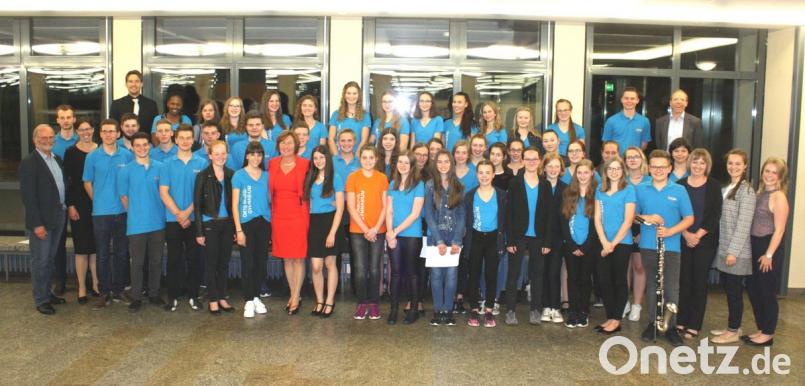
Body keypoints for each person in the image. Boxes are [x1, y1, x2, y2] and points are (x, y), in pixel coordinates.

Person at [636, 150, 694, 346]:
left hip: (671, 246)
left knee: (670, 287)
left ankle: (670, 327)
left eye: (662, 167)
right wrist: (647, 218)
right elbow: (633, 217)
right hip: (648, 245)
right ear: (649, 168)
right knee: (653, 286)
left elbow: (689, 218)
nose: (658, 170)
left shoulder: (679, 190)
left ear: (669, 168)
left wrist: (670, 231)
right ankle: (653, 323)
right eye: (654, 166)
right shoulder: (641, 189)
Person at [83, 119, 134, 310]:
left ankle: (119, 290)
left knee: (122, 253)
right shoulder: (92, 156)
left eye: (112, 131)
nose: (109, 134)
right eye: (105, 131)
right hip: (101, 214)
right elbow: (87, 182)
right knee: (102, 254)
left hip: (122, 213)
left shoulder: (127, 155)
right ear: (100, 134)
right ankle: (104, 292)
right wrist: (97, 199)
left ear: (118, 133)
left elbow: (132, 181)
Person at [19, 124, 68, 315]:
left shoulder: (56, 159)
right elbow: (28, 197)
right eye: (43, 138)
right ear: (35, 140)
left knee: (50, 258)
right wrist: (37, 224)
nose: (48, 141)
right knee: (40, 260)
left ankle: (48, 293)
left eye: (50, 137)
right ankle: (41, 299)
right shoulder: (29, 162)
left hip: (59, 214)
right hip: (42, 221)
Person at [160, 124, 208, 312]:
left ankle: (193, 296)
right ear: (176, 139)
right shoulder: (167, 164)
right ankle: (172, 296)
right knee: (174, 259)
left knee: (194, 259)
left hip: (195, 220)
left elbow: (202, 194)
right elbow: (164, 192)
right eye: (182, 138)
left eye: (189, 138)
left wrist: (187, 213)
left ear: (193, 140)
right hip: (173, 220)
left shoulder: (202, 163)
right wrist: (179, 214)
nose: (185, 141)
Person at [117, 132, 166, 312]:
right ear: (132, 147)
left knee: (156, 260)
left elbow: (165, 193)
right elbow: (124, 197)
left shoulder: (160, 167)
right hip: (136, 224)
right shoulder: (125, 170)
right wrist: (136, 212)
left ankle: (154, 294)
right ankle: (136, 296)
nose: (142, 148)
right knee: (137, 262)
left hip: (158, 223)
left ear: (150, 146)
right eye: (138, 145)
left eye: (145, 144)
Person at [676, 149, 722, 340]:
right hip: (682, 239)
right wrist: (686, 234)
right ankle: (681, 320)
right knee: (684, 281)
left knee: (699, 282)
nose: (698, 166)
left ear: (707, 165)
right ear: (689, 163)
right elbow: (674, 212)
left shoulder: (714, 186)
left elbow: (715, 215)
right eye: (695, 162)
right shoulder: (679, 185)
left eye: (702, 162)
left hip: (705, 241)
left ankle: (694, 324)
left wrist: (697, 236)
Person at [710, 149, 755, 344]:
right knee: (729, 290)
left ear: (745, 166)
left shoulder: (747, 191)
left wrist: (732, 253)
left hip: (736, 252)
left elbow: (744, 225)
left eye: (738, 163)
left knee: (735, 292)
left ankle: (733, 330)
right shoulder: (727, 188)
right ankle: (732, 326)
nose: (733, 167)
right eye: (730, 163)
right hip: (725, 248)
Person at [503, 147, 552, 325]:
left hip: (539, 236)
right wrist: (509, 240)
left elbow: (549, 215)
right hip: (518, 236)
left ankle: (535, 310)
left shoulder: (545, 185)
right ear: (523, 161)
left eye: (534, 159)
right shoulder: (515, 183)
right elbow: (509, 213)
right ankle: (510, 310)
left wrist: (547, 241)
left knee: (537, 275)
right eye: (528, 159)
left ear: (539, 161)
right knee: (513, 274)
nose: (531, 162)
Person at [746, 157, 789, 347]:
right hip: (755, 245)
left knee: (766, 291)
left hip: (768, 247)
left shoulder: (779, 197)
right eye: (767, 171)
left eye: (774, 172)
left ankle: (768, 333)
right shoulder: (760, 192)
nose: (769, 175)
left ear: (780, 176)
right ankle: (762, 328)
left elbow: (780, 229)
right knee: (754, 288)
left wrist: (769, 254)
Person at [269, 131, 311, 315]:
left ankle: (295, 296)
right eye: (282, 143)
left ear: (296, 145)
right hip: (279, 215)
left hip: (298, 214)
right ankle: (294, 294)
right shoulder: (272, 163)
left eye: (289, 143)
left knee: (298, 257)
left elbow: (314, 185)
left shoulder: (305, 164)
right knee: (286, 257)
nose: (286, 146)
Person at [593, 156, 636, 335]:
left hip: (622, 242)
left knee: (619, 280)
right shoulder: (600, 189)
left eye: (617, 168)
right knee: (604, 280)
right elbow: (597, 218)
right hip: (603, 242)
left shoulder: (628, 190)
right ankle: (610, 316)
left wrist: (612, 244)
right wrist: (604, 242)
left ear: (622, 171)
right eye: (611, 168)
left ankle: (617, 319)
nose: (614, 171)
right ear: (606, 171)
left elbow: (628, 221)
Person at [346, 145, 389, 320]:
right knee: (360, 269)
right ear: (360, 159)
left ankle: (374, 303)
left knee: (374, 268)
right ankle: (362, 303)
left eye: (371, 157)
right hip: (358, 231)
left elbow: (385, 206)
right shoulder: (353, 177)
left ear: (376, 159)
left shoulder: (382, 178)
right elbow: (351, 206)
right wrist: (365, 229)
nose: (368, 161)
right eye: (364, 157)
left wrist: (375, 228)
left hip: (378, 230)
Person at [424, 150, 466, 326]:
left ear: (451, 164)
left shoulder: (459, 186)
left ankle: (448, 310)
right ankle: (437, 310)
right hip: (436, 238)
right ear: (435, 164)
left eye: (446, 161)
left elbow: (462, 216)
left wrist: (457, 241)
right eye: (439, 162)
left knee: (451, 276)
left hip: (454, 238)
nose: (443, 165)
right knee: (436, 275)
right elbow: (428, 214)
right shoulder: (429, 185)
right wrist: (439, 240)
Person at [194, 140, 235, 315]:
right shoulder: (202, 176)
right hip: (210, 223)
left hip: (227, 224)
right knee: (211, 263)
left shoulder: (231, 175)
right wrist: (199, 231)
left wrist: (235, 228)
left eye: (223, 153)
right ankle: (212, 299)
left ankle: (222, 296)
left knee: (224, 263)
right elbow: (197, 205)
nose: (220, 156)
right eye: (216, 153)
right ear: (210, 155)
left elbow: (235, 204)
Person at [304, 146, 344, 318]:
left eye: (321, 157)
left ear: (327, 158)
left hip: (330, 222)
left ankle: (329, 300)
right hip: (315, 223)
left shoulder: (336, 178)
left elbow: (340, 208)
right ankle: (319, 300)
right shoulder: (310, 177)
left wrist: (332, 233)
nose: (319, 161)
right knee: (316, 266)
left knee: (330, 263)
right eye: (315, 158)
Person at [385, 151, 425, 325]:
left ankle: (414, 310)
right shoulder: (392, 184)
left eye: (406, 162)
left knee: (411, 273)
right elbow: (389, 210)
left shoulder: (418, 184)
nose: (402, 165)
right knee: (395, 273)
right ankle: (393, 310)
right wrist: (389, 233)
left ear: (412, 166)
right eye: (400, 162)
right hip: (393, 235)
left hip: (412, 235)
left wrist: (395, 231)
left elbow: (415, 214)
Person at [465, 160, 506, 328]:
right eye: (481, 172)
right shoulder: (470, 195)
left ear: (493, 174)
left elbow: (505, 220)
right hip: (475, 238)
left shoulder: (501, 195)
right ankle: (474, 309)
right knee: (473, 274)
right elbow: (467, 220)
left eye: (488, 172)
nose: (484, 176)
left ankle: (489, 309)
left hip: (493, 239)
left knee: (491, 274)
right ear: (477, 175)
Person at [232, 142, 271, 318]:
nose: (256, 158)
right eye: (252, 154)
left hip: (264, 223)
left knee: (261, 262)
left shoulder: (267, 176)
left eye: (259, 154)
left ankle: (256, 297)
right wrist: (239, 230)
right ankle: (248, 299)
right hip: (246, 224)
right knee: (247, 262)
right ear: (247, 156)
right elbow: (234, 205)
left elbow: (270, 200)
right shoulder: (239, 175)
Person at [64, 119, 99, 303]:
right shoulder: (71, 152)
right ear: (77, 132)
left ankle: (96, 284)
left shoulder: (100, 150)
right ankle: (82, 288)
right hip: (78, 205)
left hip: (99, 204)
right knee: (81, 247)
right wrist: (70, 205)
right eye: (82, 129)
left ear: (93, 130)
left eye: (88, 129)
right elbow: (68, 181)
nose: (86, 132)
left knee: (95, 247)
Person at [560, 159, 598, 328]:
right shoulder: (568, 192)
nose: (582, 176)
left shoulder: (597, 193)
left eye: (586, 172)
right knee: (572, 277)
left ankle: (584, 311)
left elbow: (597, 223)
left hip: (589, 245)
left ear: (592, 174)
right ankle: (573, 311)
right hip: (571, 244)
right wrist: (572, 245)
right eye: (579, 172)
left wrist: (586, 245)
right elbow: (563, 220)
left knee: (585, 278)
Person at [51, 105, 78, 295]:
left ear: (74, 119)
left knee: (82, 240)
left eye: (69, 117)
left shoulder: (82, 139)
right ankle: (60, 281)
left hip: (77, 198)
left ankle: (84, 279)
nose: (66, 120)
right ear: (58, 120)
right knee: (58, 242)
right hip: (57, 198)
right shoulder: (52, 142)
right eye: (62, 117)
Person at [623, 146, 650, 322]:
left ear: (642, 159)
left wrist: (641, 229)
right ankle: (624, 301)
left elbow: (653, 208)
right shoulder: (621, 180)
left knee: (639, 267)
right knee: (623, 267)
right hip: (623, 229)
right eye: (629, 157)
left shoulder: (650, 180)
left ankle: (637, 305)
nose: (632, 160)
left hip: (644, 229)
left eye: (636, 156)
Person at [540, 152, 567, 323]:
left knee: (554, 272)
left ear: (561, 169)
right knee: (542, 272)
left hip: (558, 238)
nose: (553, 169)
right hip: (540, 236)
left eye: (556, 166)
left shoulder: (566, 188)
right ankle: (545, 306)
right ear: (544, 168)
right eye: (550, 166)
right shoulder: (539, 185)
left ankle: (555, 307)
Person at [602, 87, 651, 153]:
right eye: (626, 98)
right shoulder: (611, 121)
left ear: (637, 101)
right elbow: (606, 144)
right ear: (621, 100)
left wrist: (633, 155)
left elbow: (644, 145)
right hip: (616, 159)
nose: (629, 101)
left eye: (632, 99)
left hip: (635, 158)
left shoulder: (645, 121)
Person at [329, 81, 371, 154]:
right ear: (344, 95)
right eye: (348, 93)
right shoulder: (336, 114)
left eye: (354, 93)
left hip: (358, 157)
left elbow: (364, 140)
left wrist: (356, 158)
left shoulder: (365, 116)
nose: (351, 96)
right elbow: (331, 139)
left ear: (359, 95)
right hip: (339, 156)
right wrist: (337, 157)